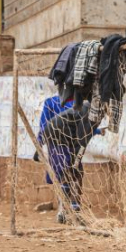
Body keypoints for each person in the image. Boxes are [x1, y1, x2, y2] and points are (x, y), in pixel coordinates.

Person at [36, 95, 103, 224]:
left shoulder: (83, 103)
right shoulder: (51, 102)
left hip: (72, 141)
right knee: (64, 173)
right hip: (57, 141)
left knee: (77, 174)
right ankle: (63, 209)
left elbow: (83, 127)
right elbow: (44, 125)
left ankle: (75, 209)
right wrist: (40, 142)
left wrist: (98, 131)